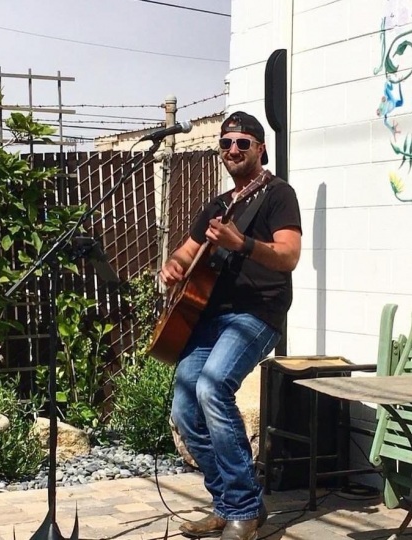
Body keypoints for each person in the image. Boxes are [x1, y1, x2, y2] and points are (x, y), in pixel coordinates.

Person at [160, 111, 302, 540]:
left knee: (212, 386)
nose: (233, 150)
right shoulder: (218, 206)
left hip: (257, 312)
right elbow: (185, 254)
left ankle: (242, 509)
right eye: (226, 143)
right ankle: (231, 504)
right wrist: (172, 267)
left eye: (243, 143)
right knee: (185, 410)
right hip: (208, 316)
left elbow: (289, 255)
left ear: (260, 148)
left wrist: (243, 243)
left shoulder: (278, 194)